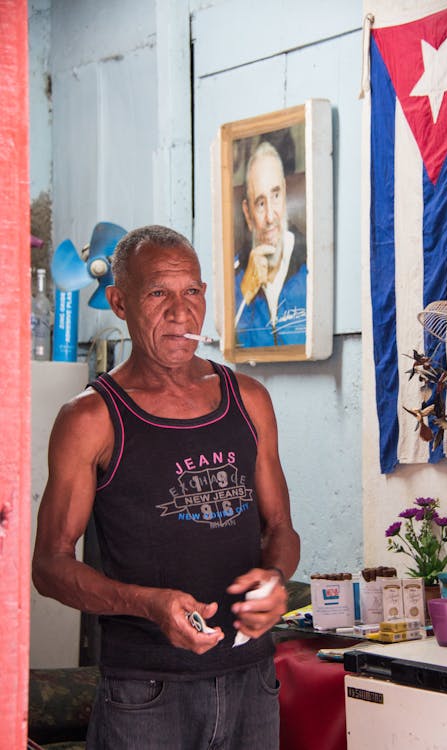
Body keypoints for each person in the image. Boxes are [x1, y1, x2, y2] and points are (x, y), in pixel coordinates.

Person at [32, 224, 300, 750]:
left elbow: (281, 528)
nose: (181, 313)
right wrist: (147, 604)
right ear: (119, 302)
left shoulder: (249, 399)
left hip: (253, 681)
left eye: (193, 292)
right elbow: (50, 566)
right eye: (158, 293)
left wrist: (274, 579)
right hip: (146, 694)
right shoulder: (91, 418)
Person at [234, 141, 307, 349]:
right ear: (248, 214)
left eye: (275, 196)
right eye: (260, 203)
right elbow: (231, 344)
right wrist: (246, 291)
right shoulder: (235, 276)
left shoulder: (311, 264)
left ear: (285, 194)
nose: (269, 217)